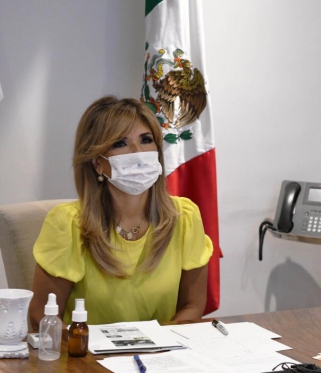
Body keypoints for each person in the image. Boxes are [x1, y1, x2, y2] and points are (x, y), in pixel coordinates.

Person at [29, 96, 213, 329]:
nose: (138, 152)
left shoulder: (184, 217)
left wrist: (157, 344)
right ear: (97, 162)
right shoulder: (69, 223)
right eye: (120, 143)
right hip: (87, 350)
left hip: (162, 348)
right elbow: (42, 316)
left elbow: (192, 306)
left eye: (146, 140)